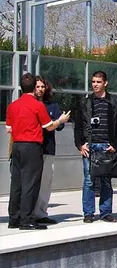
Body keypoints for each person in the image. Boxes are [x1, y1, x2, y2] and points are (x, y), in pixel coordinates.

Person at [6, 73, 70, 230]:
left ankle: (14, 218)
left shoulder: (12, 105)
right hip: (32, 146)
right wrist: (60, 121)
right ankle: (27, 219)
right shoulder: (37, 105)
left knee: (17, 184)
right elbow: (49, 126)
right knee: (30, 183)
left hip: (17, 146)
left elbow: (9, 129)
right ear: (34, 87)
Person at [73, 71, 117, 223]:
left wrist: (116, 145)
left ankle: (105, 212)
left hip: (107, 146)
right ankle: (88, 213)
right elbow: (77, 126)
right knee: (89, 180)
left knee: (106, 181)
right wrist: (80, 145)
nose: (95, 85)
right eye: (93, 82)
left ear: (105, 83)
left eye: (98, 82)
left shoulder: (115, 102)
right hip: (89, 146)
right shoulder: (85, 102)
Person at [33, 77, 65, 225]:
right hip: (32, 149)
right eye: (37, 86)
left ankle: (41, 213)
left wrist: (55, 122)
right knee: (31, 182)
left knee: (46, 182)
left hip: (48, 148)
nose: (40, 89)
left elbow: (59, 125)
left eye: (42, 86)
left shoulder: (52, 106)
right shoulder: (29, 104)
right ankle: (28, 212)